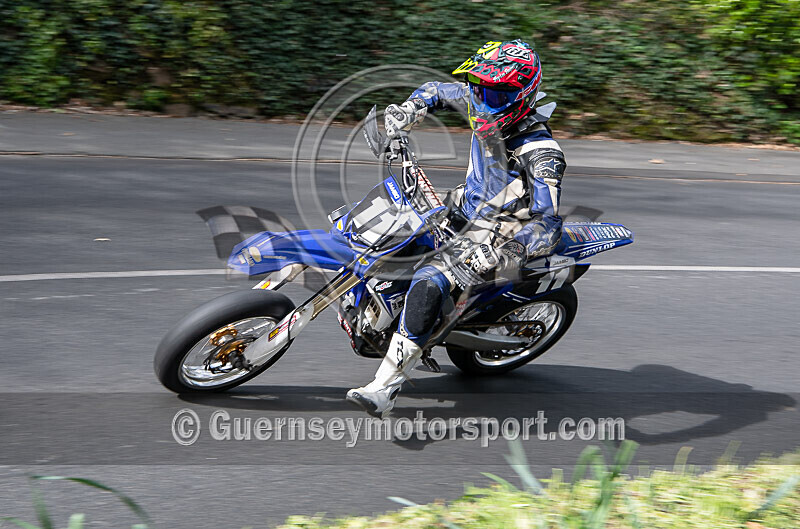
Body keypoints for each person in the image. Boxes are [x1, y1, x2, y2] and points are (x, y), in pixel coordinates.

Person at [346, 39, 566, 417]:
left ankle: (385, 387)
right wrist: (409, 110)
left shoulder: (541, 153)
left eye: (493, 93)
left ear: (522, 95)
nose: (480, 99)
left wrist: (506, 251)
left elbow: (548, 223)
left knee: (428, 283)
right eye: (478, 87)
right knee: (386, 234)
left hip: (499, 236)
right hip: (459, 209)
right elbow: (435, 91)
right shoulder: (482, 99)